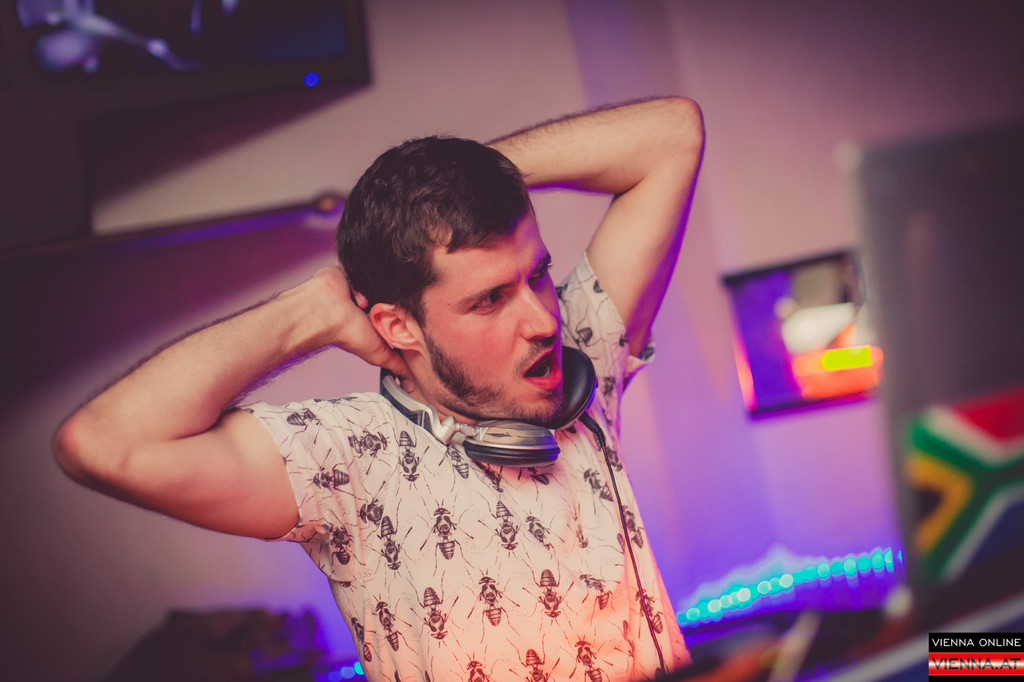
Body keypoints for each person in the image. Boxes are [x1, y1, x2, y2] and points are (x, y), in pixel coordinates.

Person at [54, 96, 705, 681]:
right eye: (488, 301)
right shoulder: (349, 458)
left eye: (537, 276)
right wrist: (310, 311)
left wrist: (471, 176)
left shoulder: (579, 366)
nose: (543, 321)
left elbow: (672, 133)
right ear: (399, 326)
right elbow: (102, 444)